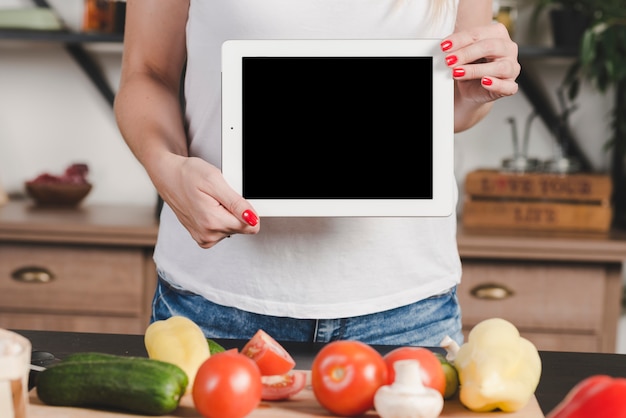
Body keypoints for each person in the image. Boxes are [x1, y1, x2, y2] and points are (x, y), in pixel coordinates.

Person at [114, 0, 520, 347]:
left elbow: (453, 101)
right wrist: (167, 168)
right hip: (214, 302)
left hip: (408, 309)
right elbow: (146, 72)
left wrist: (477, 90)